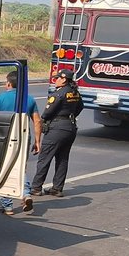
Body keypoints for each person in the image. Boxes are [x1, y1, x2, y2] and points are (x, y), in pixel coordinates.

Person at [0, 70, 42, 215]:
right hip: (24, 137)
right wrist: (38, 141)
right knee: (20, 168)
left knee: (5, 169)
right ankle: (26, 194)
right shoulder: (29, 99)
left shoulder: (0, 98)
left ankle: (7, 205)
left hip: (5, 138)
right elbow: (37, 121)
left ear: (8, 83)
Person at [29, 69, 84, 197]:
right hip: (70, 127)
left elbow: (47, 113)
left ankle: (36, 187)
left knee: (44, 158)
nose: (55, 80)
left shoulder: (58, 94)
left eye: (57, 78)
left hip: (57, 128)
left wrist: (43, 122)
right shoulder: (74, 92)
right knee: (62, 159)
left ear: (64, 79)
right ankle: (57, 188)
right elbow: (80, 107)